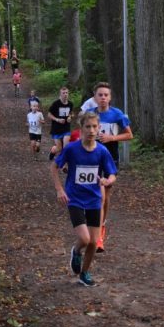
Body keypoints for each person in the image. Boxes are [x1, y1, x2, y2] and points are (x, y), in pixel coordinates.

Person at [50, 111, 117, 287]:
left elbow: (112, 174)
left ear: (99, 128)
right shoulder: (72, 149)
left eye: (95, 127)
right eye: (88, 126)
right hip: (75, 199)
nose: (91, 130)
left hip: (94, 199)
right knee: (85, 239)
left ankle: (84, 273)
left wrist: (107, 180)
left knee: (94, 242)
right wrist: (59, 190)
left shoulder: (102, 151)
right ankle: (76, 250)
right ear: (81, 128)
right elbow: (54, 166)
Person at [80, 82, 133, 251]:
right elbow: (81, 135)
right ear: (94, 97)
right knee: (93, 193)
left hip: (110, 159)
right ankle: (92, 225)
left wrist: (111, 138)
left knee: (104, 197)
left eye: (106, 95)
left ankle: (100, 230)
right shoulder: (90, 115)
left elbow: (129, 135)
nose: (103, 98)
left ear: (110, 98)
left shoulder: (117, 114)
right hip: (92, 159)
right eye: (100, 95)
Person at [48, 86, 73, 160]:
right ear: (60, 94)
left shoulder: (70, 104)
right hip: (56, 128)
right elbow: (49, 114)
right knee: (59, 148)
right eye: (63, 93)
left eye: (66, 93)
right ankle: (53, 150)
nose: (65, 94)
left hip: (66, 128)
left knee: (66, 146)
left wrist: (70, 117)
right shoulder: (56, 104)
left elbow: (71, 113)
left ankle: (64, 163)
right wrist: (57, 119)